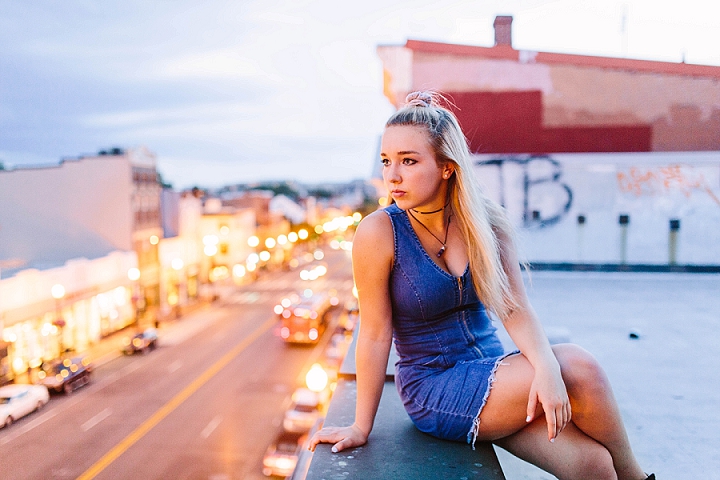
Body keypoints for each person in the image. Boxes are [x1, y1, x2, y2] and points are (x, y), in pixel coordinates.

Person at [309, 91, 653, 480]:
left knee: (593, 467)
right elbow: (373, 333)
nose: (392, 175)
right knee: (579, 367)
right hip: (434, 387)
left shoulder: (484, 222)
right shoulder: (379, 232)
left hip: (496, 370)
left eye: (409, 160)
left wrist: (544, 368)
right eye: (387, 161)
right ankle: (638, 477)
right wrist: (360, 426)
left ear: (446, 167)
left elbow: (514, 307)